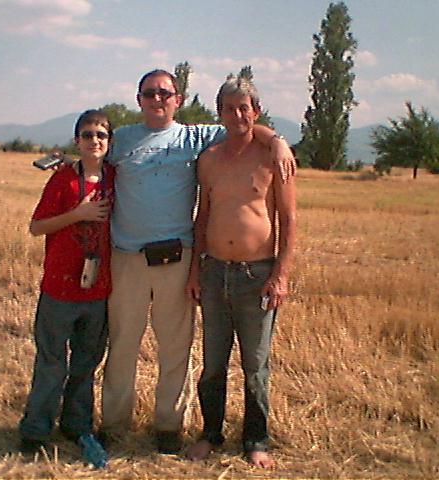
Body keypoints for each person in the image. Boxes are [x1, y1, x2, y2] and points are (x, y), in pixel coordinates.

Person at [99, 69, 296, 454]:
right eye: (149, 93)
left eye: (166, 93)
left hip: (180, 258)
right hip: (129, 258)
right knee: (124, 344)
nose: (158, 99)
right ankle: (114, 423)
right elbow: (89, 157)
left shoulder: (196, 137)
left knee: (181, 348)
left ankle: (171, 428)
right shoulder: (120, 140)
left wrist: (279, 140)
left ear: (180, 99)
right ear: (138, 98)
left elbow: (247, 126)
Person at [185, 77, 297, 468]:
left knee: (255, 366)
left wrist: (280, 273)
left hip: (257, 275)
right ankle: (210, 434)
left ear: (256, 111)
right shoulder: (209, 159)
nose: (237, 115)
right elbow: (202, 219)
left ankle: (256, 440)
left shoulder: (273, 158)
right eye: (229, 108)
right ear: (219, 113)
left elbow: (289, 217)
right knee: (213, 363)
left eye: (244, 108)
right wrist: (196, 272)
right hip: (214, 273)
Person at [19, 109, 114, 469]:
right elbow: (36, 227)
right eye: (88, 134)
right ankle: (35, 429)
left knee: (86, 365)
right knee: (51, 364)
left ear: (109, 142)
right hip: (59, 290)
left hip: (98, 291)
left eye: (101, 135)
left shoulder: (115, 178)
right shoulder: (62, 180)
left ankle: (76, 425)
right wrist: (78, 213)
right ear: (77, 139)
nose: (95, 141)